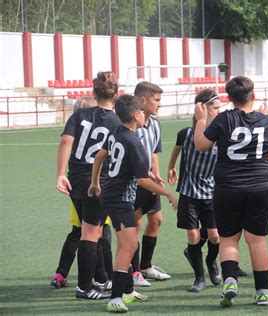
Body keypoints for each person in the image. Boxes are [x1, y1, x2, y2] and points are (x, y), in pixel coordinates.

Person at [194, 76, 268, 307]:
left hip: (228, 187)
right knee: (257, 240)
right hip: (260, 187)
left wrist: (201, 120)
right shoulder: (266, 120)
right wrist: (265, 117)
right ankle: (262, 292)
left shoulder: (222, 119)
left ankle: (230, 281)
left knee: (229, 238)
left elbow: (201, 145)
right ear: (253, 95)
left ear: (229, 98)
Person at [88, 94, 177, 313]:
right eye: (142, 113)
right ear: (137, 115)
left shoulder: (117, 132)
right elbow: (142, 181)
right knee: (127, 246)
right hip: (119, 200)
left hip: (112, 195)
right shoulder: (134, 141)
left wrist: (95, 183)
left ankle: (127, 291)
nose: (145, 116)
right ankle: (115, 298)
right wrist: (168, 193)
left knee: (128, 244)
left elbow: (100, 156)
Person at [56, 71, 122, 300]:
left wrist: (60, 174)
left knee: (89, 232)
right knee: (91, 234)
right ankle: (85, 287)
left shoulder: (80, 114)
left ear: (93, 93)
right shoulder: (117, 121)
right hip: (99, 183)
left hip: (75, 179)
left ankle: (98, 281)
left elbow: (66, 141)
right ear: (116, 94)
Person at [51, 96, 113, 289]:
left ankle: (66, 274)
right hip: (97, 185)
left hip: (77, 184)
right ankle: (101, 279)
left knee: (82, 234)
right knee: (97, 235)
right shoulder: (105, 121)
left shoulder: (80, 128)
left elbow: (67, 144)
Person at [167, 89, 222, 292]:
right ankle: (199, 278)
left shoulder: (220, 134)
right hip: (189, 193)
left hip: (211, 194)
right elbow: (177, 147)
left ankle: (210, 262)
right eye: (215, 108)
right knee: (193, 235)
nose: (219, 111)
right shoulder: (187, 133)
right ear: (201, 108)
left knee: (215, 236)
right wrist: (171, 165)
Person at [130, 81, 170, 287]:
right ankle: (134, 272)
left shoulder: (154, 123)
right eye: (157, 100)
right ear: (143, 100)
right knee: (134, 225)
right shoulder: (129, 123)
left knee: (156, 221)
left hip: (150, 180)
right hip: (134, 182)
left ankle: (146, 266)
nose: (159, 104)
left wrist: (157, 173)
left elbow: (154, 152)